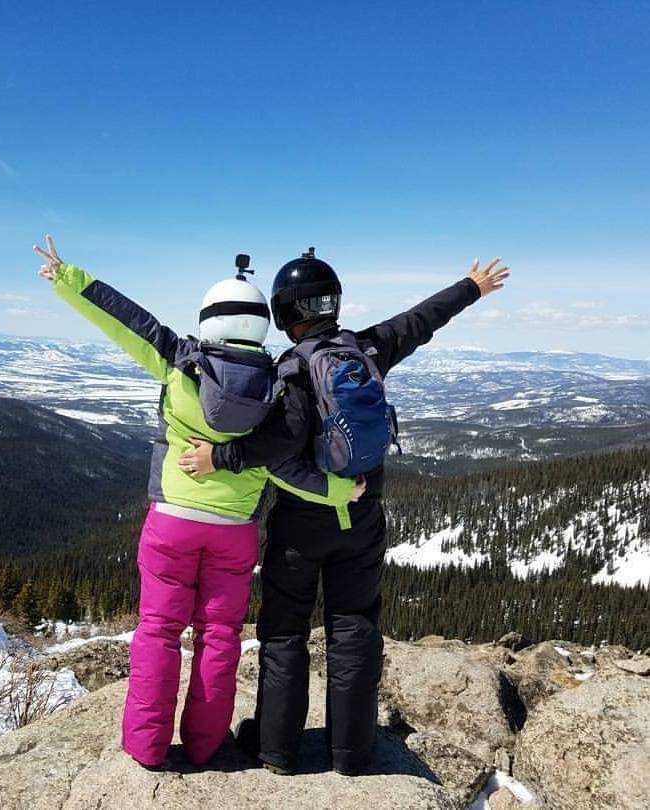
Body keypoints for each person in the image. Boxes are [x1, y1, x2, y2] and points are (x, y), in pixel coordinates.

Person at [34, 237, 365, 770]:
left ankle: (145, 746)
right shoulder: (277, 386)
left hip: (172, 523)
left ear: (209, 318)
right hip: (234, 532)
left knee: (158, 631)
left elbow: (126, 320)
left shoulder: (180, 361)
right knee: (221, 636)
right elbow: (285, 464)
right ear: (262, 322)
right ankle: (207, 745)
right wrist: (337, 493)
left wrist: (67, 276)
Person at [179, 249, 509, 775]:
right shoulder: (368, 348)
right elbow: (421, 321)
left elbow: (277, 441)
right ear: (333, 303)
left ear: (286, 313)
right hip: (363, 518)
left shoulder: (292, 369)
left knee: (285, 630)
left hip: (300, 524)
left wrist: (219, 456)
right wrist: (470, 287)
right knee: (354, 627)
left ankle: (276, 748)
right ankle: (352, 753)